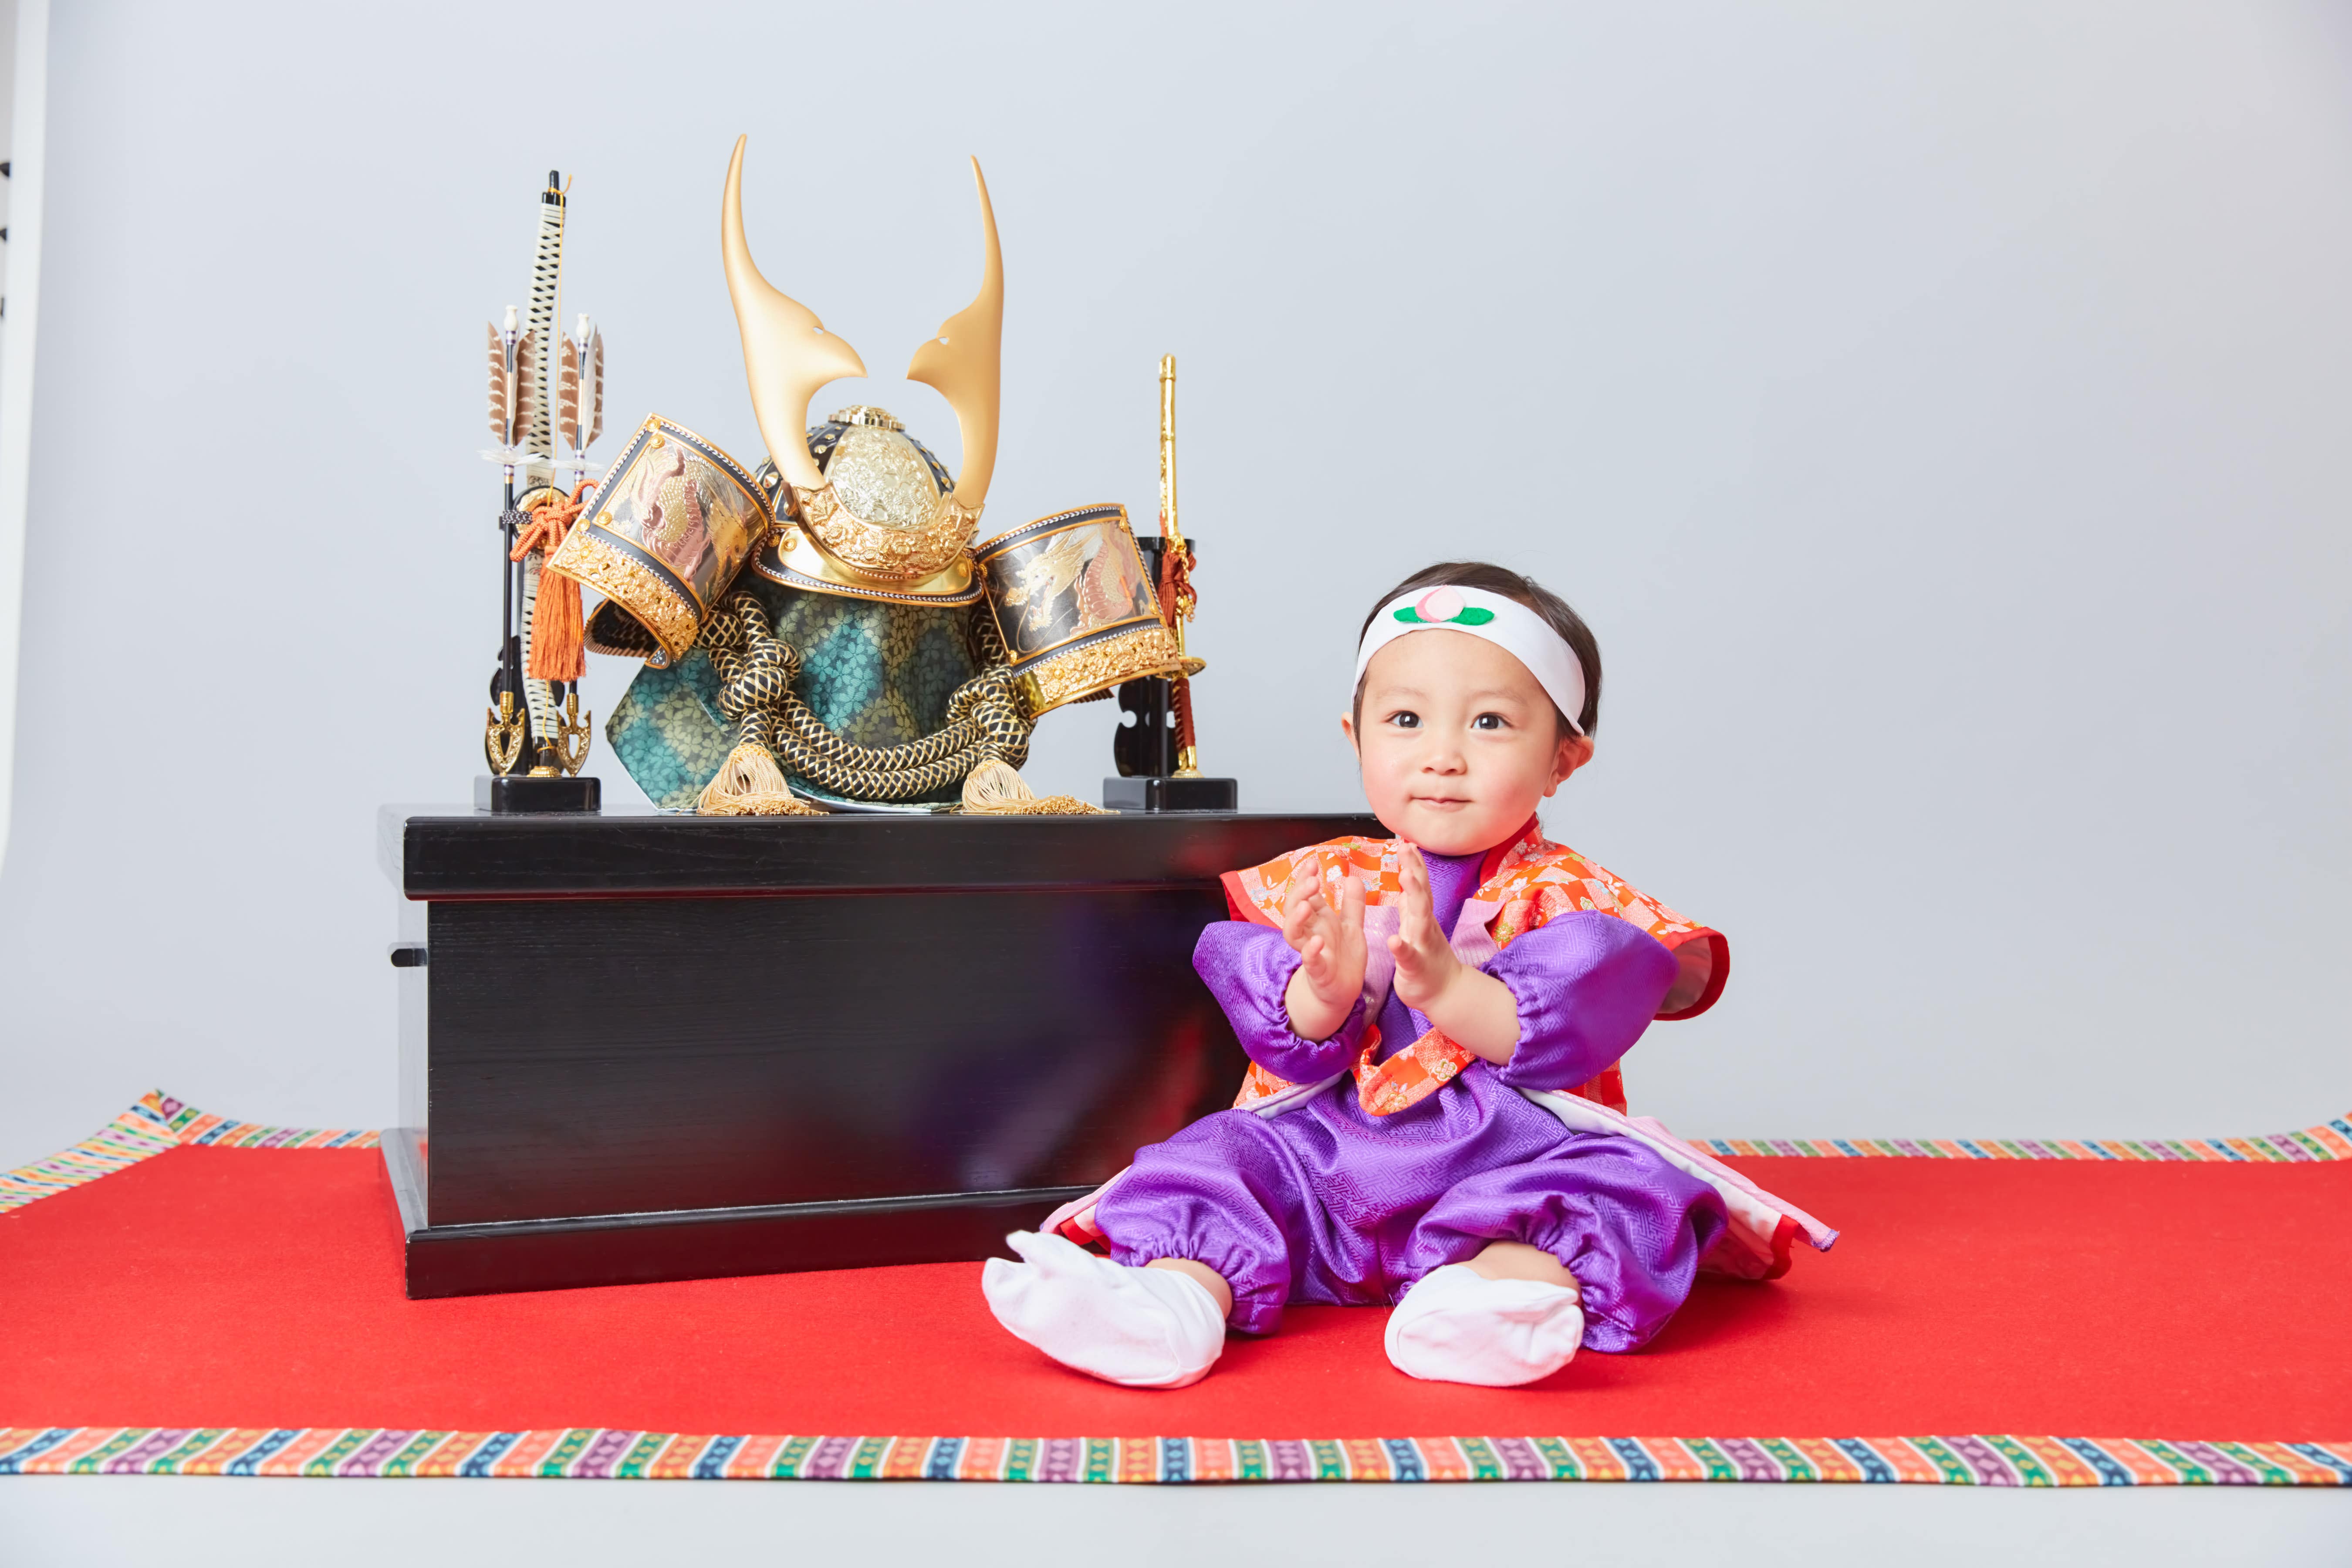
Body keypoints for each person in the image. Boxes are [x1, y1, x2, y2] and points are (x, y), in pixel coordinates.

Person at [983, 561, 1813, 1389]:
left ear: (1564, 759)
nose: (1443, 757)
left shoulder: (1569, 894)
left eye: (1490, 723)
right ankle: (1173, 1301)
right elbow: (1290, 1046)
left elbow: (1558, 1035)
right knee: (1224, 1155)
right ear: (1356, 737)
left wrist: (1449, 988)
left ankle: (1489, 1298)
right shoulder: (1326, 877)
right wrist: (1323, 990)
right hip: (1327, 1159)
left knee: (1621, 1187)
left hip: (1507, 1158)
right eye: (1407, 720)